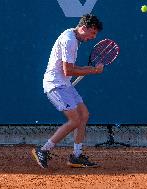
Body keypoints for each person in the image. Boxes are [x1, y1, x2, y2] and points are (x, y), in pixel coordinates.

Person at [32, 14, 104, 168]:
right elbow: (68, 70)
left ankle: (76, 156)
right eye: (92, 33)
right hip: (55, 85)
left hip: (65, 85)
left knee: (84, 115)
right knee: (75, 120)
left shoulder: (73, 35)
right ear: (84, 28)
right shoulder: (70, 40)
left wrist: (89, 69)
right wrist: (92, 70)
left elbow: (69, 70)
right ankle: (43, 150)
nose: (93, 37)